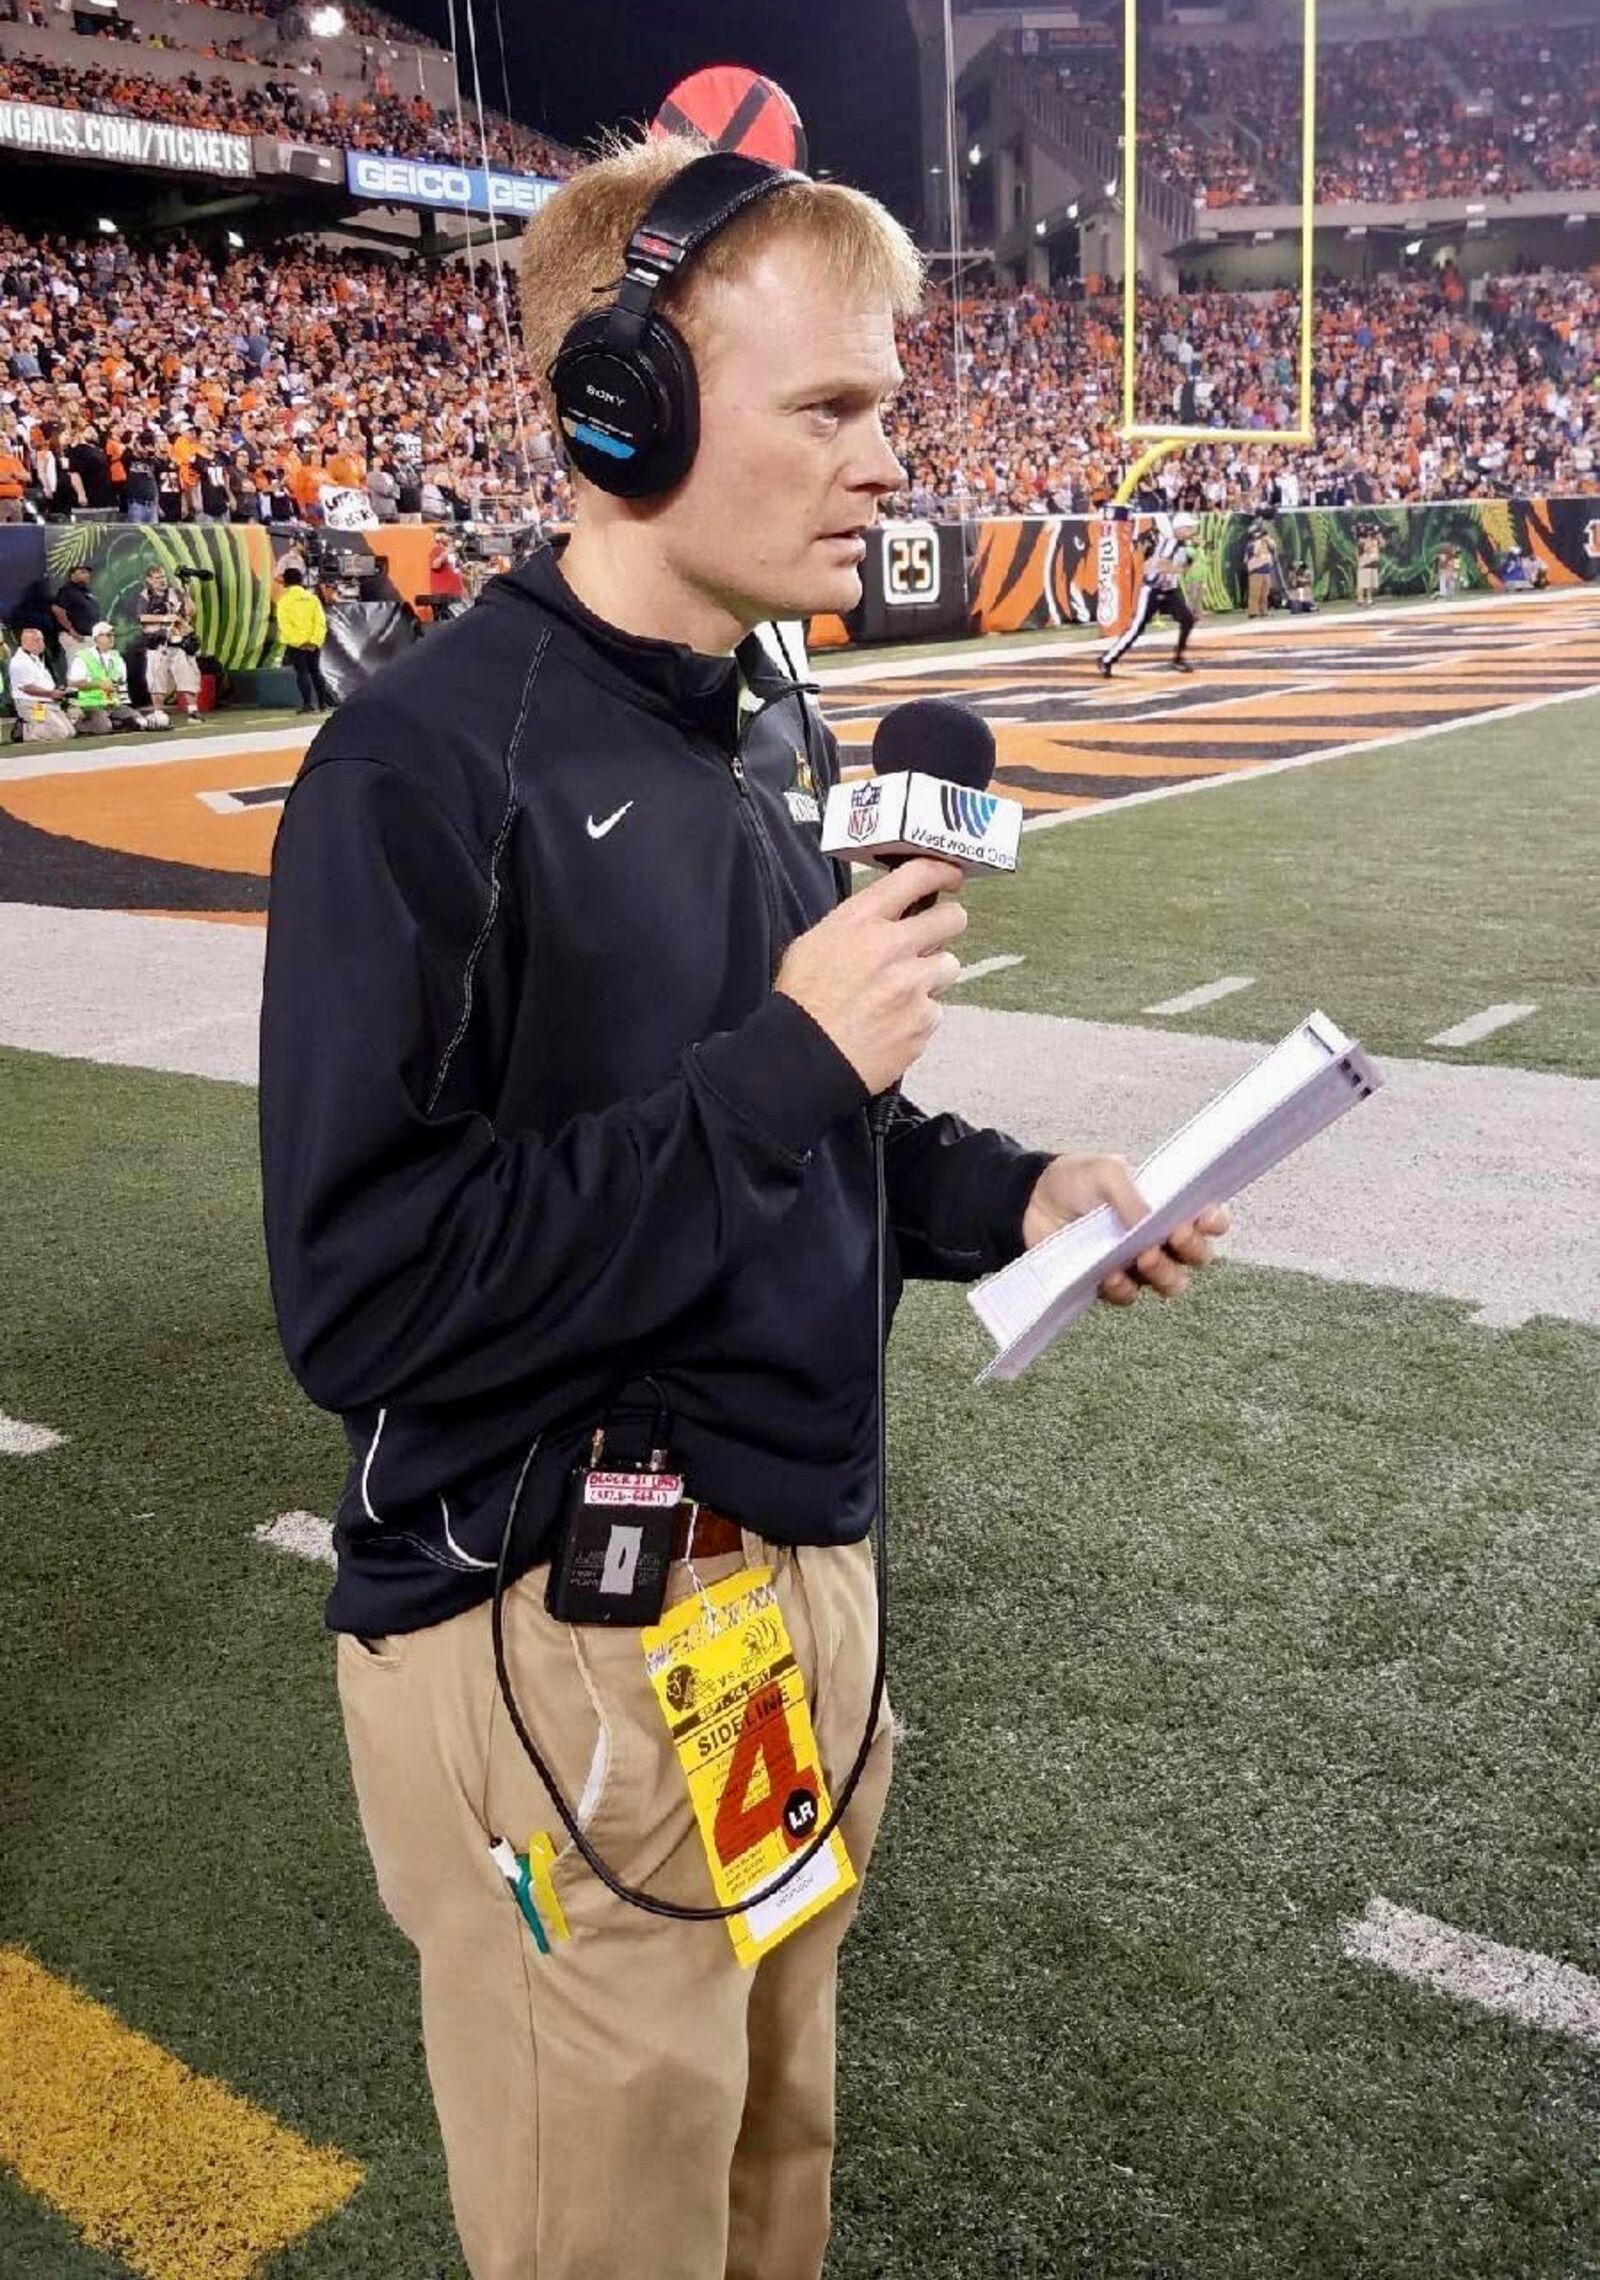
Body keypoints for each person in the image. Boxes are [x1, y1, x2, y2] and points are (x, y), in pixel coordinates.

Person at [260, 138, 1229, 2280]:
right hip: (554, 1640)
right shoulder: (423, 771)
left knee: (766, 2170)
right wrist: (785, 1062)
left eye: (886, 403)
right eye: (831, 408)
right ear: (627, 411)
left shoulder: (752, 718)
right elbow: (360, 1295)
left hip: (757, 1622)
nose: (892, 459)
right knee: (611, 2233)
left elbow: (807, 1130)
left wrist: (1011, 1193)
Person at [1098, 511, 1200, 678]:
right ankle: (1107, 658)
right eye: (1188, 527)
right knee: (1136, 628)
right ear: (1179, 528)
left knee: (1187, 619)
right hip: (1153, 589)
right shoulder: (1171, 543)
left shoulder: (1182, 545)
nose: (1192, 530)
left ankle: (1178, 658)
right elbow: (1162, 566)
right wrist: (1184, 569)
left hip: (1169, 590)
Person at [139, 568, 202, 719]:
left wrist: (185, 591)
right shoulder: (145, 596)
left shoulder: (176, 592)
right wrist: (166, 619)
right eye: (157, 578)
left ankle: (193, 711)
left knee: (188, 677)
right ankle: (158, 712)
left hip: (179, 643)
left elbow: (191, 611)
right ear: (149, 580)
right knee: (157, 680)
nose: (161, 581)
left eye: (163, 577)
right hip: (158, 643)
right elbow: (142, 618)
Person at [67, 621, 151, 733]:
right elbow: (74, 683)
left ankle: (114, 722)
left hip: (112, 704)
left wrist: (124, 704)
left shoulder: (117, 657)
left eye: (112, 635)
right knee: (104, 728)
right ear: (96, 639)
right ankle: (78, 724)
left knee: (139, 722)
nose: (111, 638)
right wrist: (99, 684)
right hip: (91, 704)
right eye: (107, 635)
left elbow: (121, 684)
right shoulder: (83, 657)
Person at [274, 563, 332, 711]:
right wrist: (314, 641)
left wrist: (299, 643)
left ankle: (307, 704)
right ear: (301, 581)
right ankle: (322, 704)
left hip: (296, 645)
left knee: (302, 673)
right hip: (313, 644)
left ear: (285, 582)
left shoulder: (284, 601)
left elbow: (285, 626)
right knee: (316, 672)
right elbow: (320, 622)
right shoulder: (312, 599)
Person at [7, 626, 75, 743]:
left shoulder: (36, 659)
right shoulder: (19, 662)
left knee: (70, 732)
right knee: (61, 734)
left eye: (41, 640)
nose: (41, 643)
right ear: (25, 642)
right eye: (37, 640)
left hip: (48, 702)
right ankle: (26, 731)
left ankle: (37, 726)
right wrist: (51, 693)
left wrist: (59, 691)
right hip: (31, 704)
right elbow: (26, 688)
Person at [1243, 520, 1278, 619]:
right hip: (1256, 571)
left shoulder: (1267, 544)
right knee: (1255, 593)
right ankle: (1253, 612)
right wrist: (1260, 542)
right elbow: (1256, 553)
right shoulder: (1251, 545)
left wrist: (1268, 540)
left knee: (1265, 593)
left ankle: (1264, 610)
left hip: (1266, 571)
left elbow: (1273, 547)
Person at [1355, 522, 1382, 607]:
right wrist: (1370, 540)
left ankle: (1369, 599)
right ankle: (1360, 599)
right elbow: (1366, 549)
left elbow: (1382, 544)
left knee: (1370, 583)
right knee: (1363, 583)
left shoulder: (1374, 539)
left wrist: (1378, 536)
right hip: (1364, 563)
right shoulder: (1362, 540)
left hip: (1371, 563)